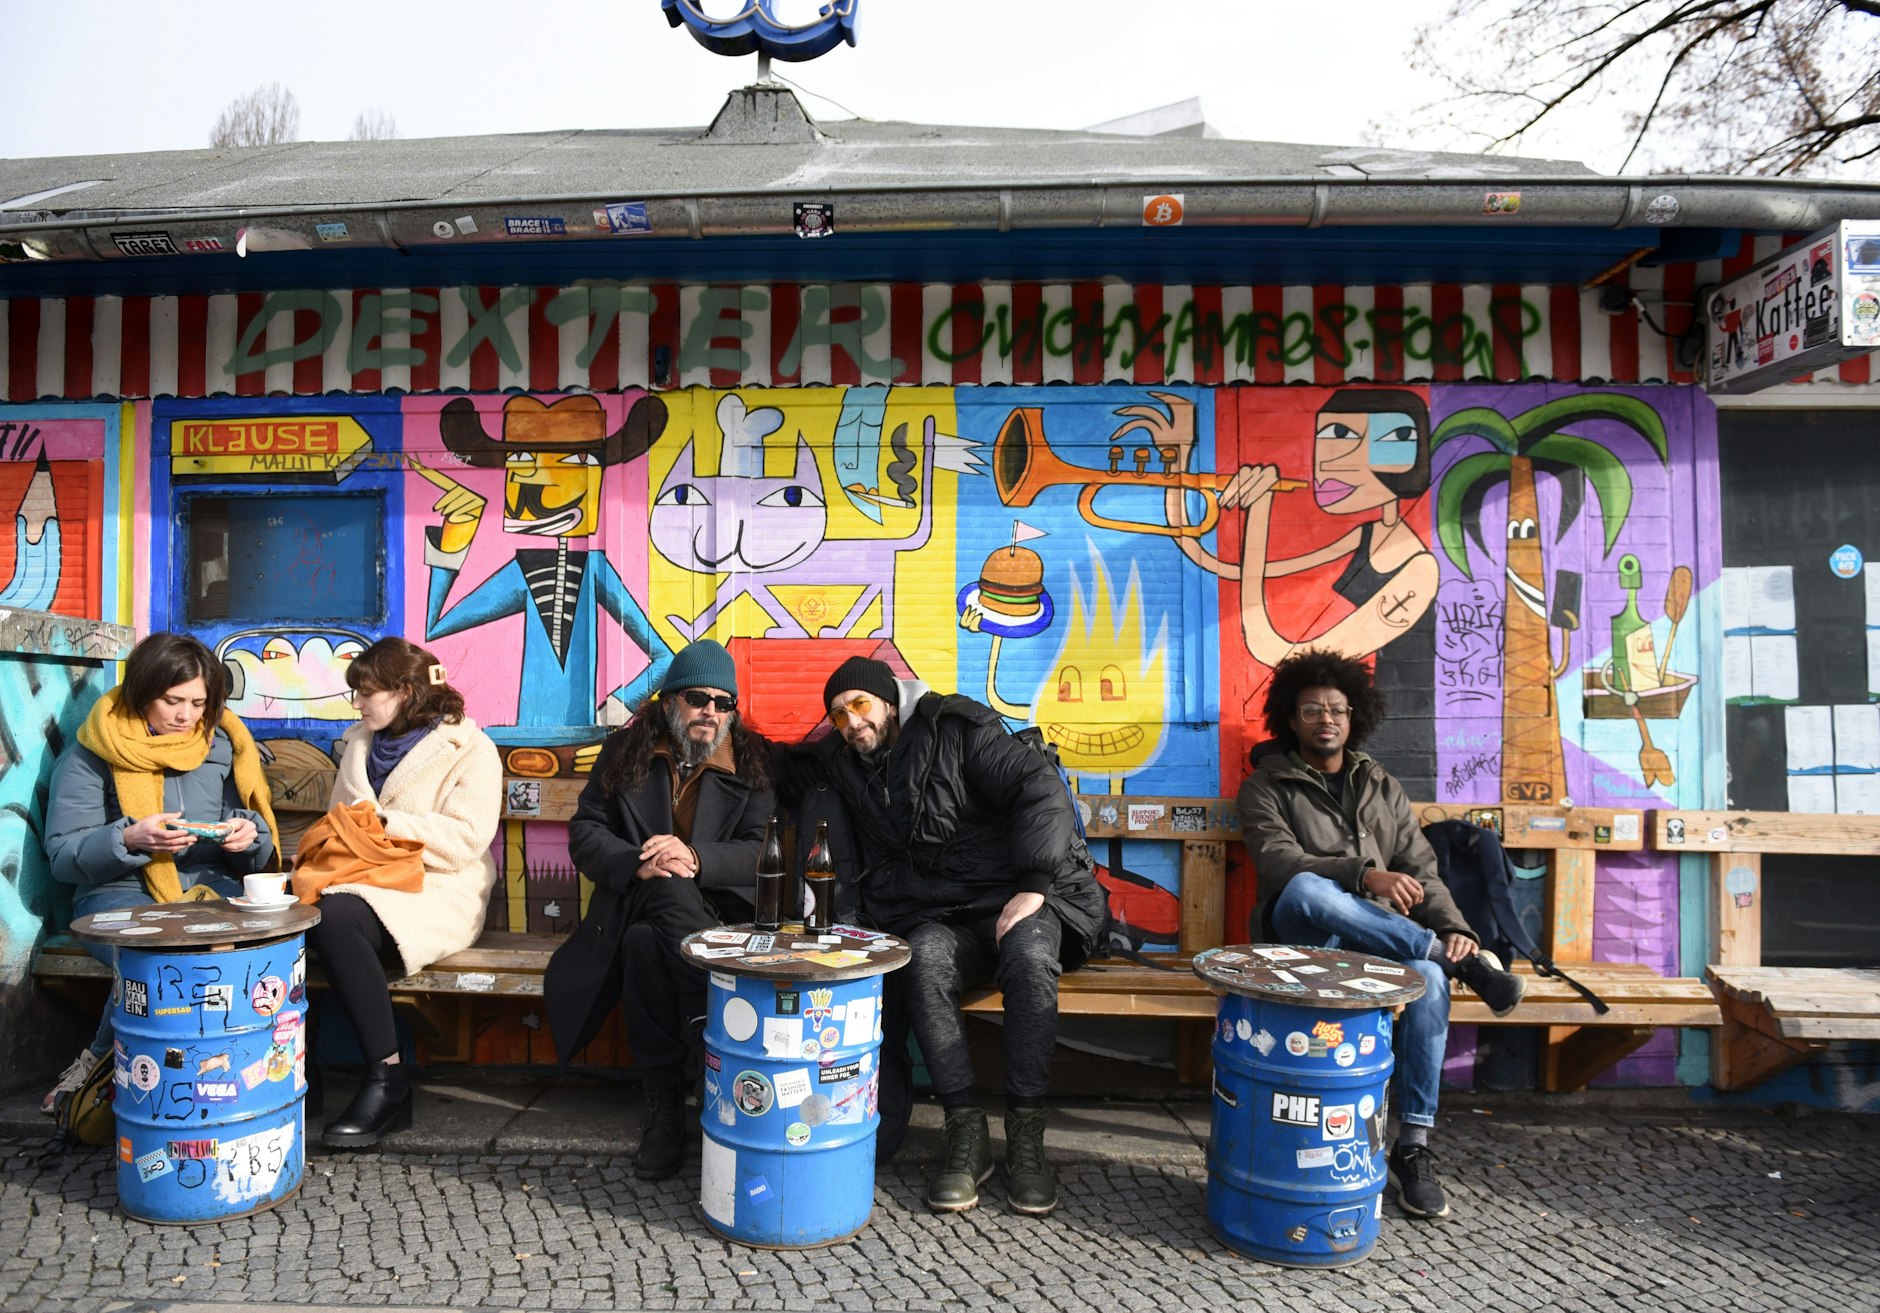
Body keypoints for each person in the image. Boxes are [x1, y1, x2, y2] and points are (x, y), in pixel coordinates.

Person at [778, 655, 1105, 1217]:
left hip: (1017, 898)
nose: (852, 722)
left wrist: (1034, 883)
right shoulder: (844, 762)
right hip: (943, 916)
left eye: (860, 706)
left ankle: (1027, 1140)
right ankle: (966, 1134)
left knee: (1028, 956)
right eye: (837, 715)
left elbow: (1038, 786)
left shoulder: (955, 728)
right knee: (922, 958)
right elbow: (778, 766)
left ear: (888, 701)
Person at [1237, 648, 1526, 1222]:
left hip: (1377, 942)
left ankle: (1414, 1145)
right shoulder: (1266, 787)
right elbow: (1277, 862)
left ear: (1354, 716)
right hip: (1303, 943)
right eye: (1313, 710)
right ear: (1291, 719)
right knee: (1304, 888)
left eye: (1337, 710)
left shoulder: (1380, 785)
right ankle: (1444, 957)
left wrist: (1455, 927)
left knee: (1428, 982)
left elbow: (1421, 868)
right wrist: (1363, 874)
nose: (1327, 720)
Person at [543, 639, 772, 1181]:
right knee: (664, 887)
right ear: (670, 701)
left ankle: (665, 1105)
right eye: (698, 698)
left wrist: (695, 856)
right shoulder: (626, 755)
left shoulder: (753, 762)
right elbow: (585, 833)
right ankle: (708, 1032)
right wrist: (637, 863)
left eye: (723, 703)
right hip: (636, 893)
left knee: (646, 946)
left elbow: (763, 851)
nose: (710, 712)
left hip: (717, 915)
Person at [41, 631, 278, 1113]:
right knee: (154, 956)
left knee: (244, 950)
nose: (186, 715)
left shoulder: (222, 743)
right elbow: (63, 856)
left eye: (197, 702)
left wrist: (248, 838)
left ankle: (248, 1074)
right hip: (117, 891)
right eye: (172, 700)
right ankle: (102, 1066)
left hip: (212, 887)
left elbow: (253, 837)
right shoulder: (93, 753)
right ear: (143, 690)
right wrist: (129, 840)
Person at [305, 637, 502, 1149]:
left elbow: (463, 843)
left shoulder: (471, 748)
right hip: (365, 879)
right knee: (295, 921)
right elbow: (342, 825)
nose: (357, 704)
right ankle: (298, 1076)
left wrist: (388, 822)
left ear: (406, 690)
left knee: (333, 918)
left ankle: (387, 1081)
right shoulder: (359, 743)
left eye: (366, 693)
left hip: (437, 888)